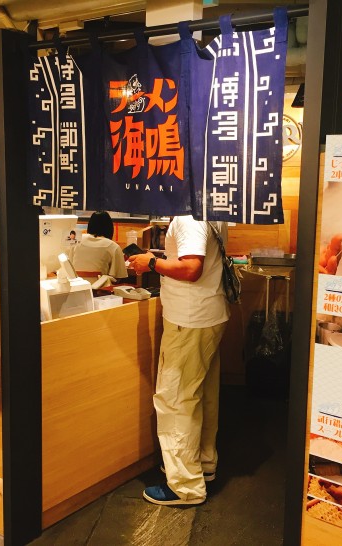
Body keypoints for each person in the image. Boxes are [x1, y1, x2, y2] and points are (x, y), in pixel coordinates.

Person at [128, 216, 229, 506]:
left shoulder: (188, 217)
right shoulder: (212, 209)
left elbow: (191, 268)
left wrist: (150, 263)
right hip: (208, 314)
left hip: (189, 319)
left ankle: (185, 484)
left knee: (175, 400)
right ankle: (203, 463)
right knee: (203, 395)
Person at [69, 211, 128, 280]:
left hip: (76, 286)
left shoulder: (77, 240)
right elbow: (119, 276)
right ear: (109, 227)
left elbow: (69, 266)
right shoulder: (113, 246)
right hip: (101, 288)